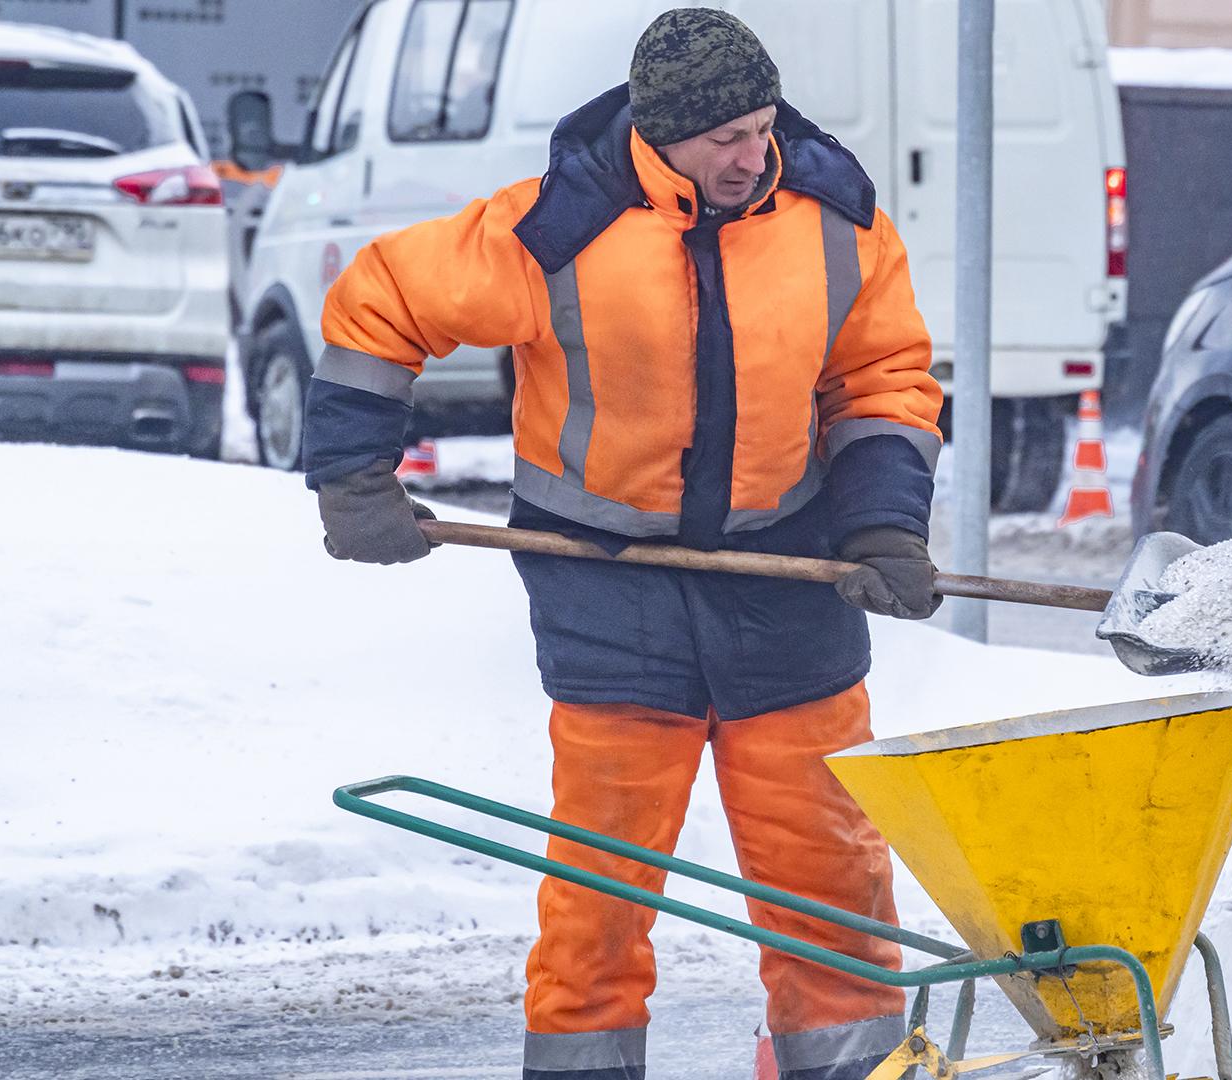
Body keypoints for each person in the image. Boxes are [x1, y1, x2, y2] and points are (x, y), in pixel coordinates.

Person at [301, 10, 943, 1079]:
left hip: (786, 573)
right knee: (602, 886)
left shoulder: (837, 221)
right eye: (726, 138)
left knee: (830, 876)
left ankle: (851, 1067)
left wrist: (882, 522)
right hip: (605, 577)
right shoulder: (559, 226)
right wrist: (355, 478)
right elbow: (383, 300)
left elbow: (881, 378)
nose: (754, 156)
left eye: (764, 127)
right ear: (663, 134)